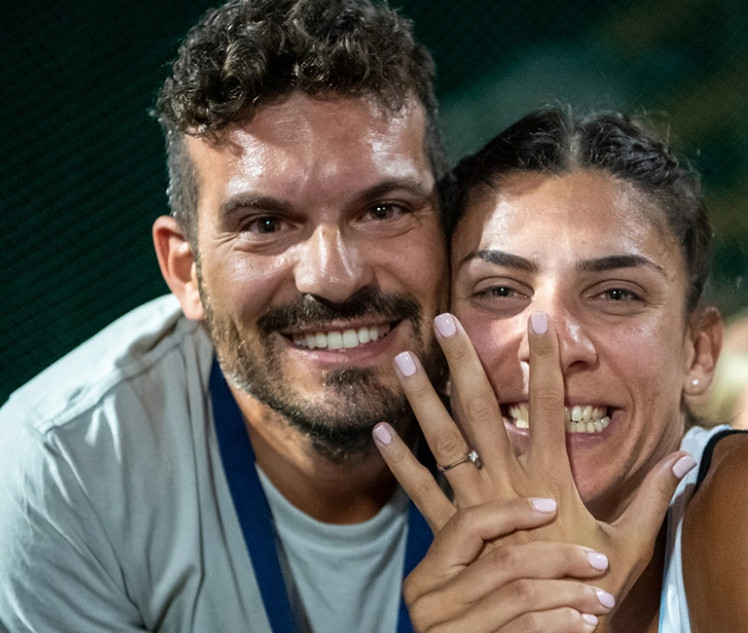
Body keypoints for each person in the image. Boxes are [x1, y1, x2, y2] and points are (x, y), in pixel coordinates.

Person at [0, 3, 680, 632]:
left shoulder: (549, 409)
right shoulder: (63, 472)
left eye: (383, 210)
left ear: (443, 224)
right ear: (186, 271)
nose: (333, 277)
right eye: (265, 224)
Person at [372, 108, 748, 632]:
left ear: (697, 352)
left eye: (616, 294)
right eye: (499, 290)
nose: (553, 343)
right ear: (439, 350)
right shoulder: (421, 583)